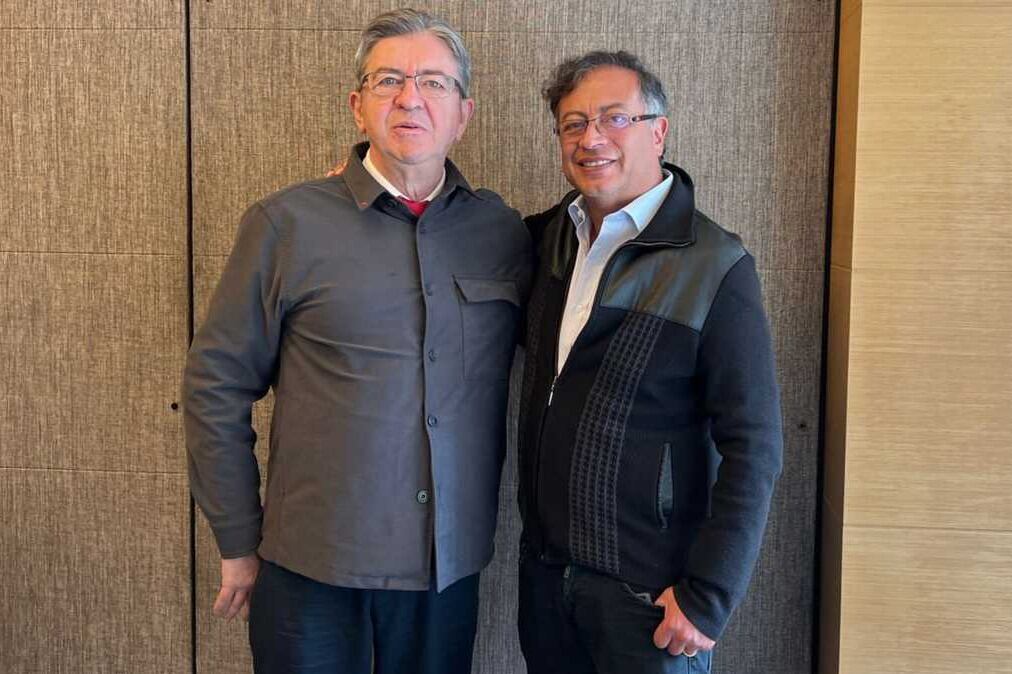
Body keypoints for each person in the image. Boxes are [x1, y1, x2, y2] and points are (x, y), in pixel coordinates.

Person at [181, 9, 531, 674]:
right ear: (357, 106)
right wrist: (235, 537)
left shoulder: (504, 234)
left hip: (445, 573)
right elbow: (214, 386)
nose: (410, 98)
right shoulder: (286, 225)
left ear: (463, 112)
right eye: (388, 80)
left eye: (434, 82)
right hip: (311, 568)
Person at [516, 51, 783, 674]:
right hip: (547, 581)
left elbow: (756, 444)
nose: (592, 139)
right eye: (573, 123)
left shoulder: (717, 265)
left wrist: (708, 599)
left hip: (651, 602)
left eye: (615, 118)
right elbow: (460, 231)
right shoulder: (549, 236)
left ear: (658, 130)